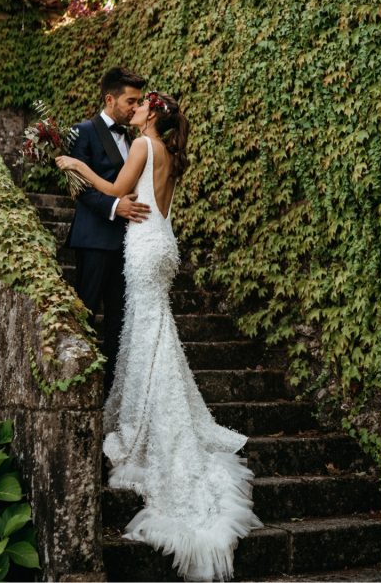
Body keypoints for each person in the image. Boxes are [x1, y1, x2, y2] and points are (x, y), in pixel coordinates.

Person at [57, 91, 262, 581]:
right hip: (162, 244)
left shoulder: (146, 147)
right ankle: (149, 401)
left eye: (142, 107)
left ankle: (153, 420)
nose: (136, 111)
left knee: (148, 328)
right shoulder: (169, 152)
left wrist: (74, 165)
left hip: (145, 249)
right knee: (153, 330)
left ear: (152, 115)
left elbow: (112, 187)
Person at [65, 67, 151, 395]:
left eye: (139, 101)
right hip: (94, 240)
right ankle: (81, 388)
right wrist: (117, 208)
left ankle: (111, 393)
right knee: (86, 312)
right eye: (131, 101)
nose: (135, 107)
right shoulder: (83, 131)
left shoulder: (135, 138)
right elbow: (80, 188)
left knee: (118, 322)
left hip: (129, 244)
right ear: (110, 98)